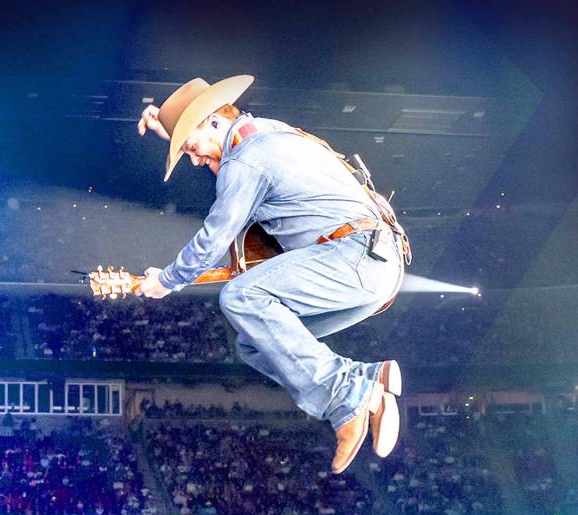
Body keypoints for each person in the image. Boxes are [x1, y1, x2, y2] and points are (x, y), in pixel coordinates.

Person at [136, 75, 409, 474]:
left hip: (355, 259)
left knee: (241, 296)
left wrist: (167, 281)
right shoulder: (267, 133)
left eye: (192, 149)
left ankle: (349, 393)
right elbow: (230, 159)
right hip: (377, 267)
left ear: (214, 120)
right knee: (254, 344)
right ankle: (366, 380)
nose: (195, 161)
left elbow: (213, 239)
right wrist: (175, 130)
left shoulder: (245, 160)